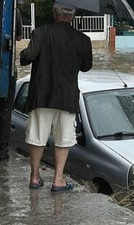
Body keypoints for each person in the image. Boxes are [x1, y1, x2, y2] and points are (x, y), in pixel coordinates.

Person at [20, 2, 92, 192]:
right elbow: (86, 67)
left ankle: (35, 178)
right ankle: (58, 179)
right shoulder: (83, 39)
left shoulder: (40, 32)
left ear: (54, 13)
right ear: (72, 17)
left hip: (41, 96)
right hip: (66, 97)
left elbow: (28, 56)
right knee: (64, 139)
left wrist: (22, 54)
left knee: (37, 137)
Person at [0, 8, 23, 161]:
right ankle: (2, 151)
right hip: (6, 68)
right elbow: (19, 37)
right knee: (5, 112)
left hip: (7, 69)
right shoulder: (13, 11)